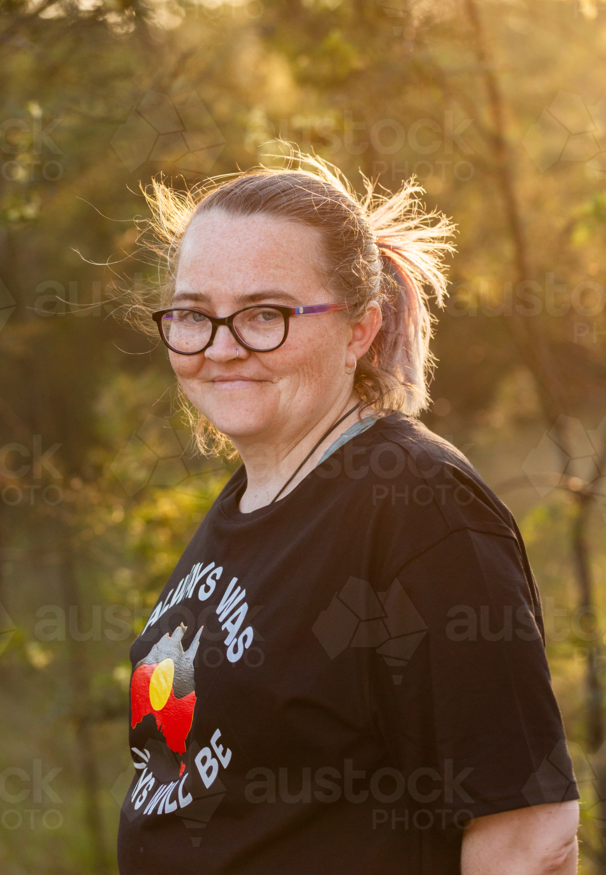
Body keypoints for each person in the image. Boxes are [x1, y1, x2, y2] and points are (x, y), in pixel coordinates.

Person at [118, 158, 580, 875]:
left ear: (359, 329)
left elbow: (528, 833)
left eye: (264, 315)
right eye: (192, 314)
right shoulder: (251, 502)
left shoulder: (415, 506)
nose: (220, 345)